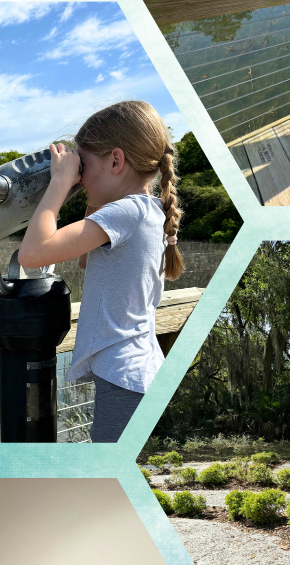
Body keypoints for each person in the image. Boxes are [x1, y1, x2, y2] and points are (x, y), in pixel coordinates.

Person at [17, 100, 184, 444]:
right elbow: (85, 259)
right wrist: (94, 192)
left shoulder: (126, 213)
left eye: (83, 165)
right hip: (136, 371)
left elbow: (31, 254)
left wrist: (59, 184)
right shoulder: (148, 211)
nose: (79, 177)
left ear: (116, 161)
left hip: (125, 377)